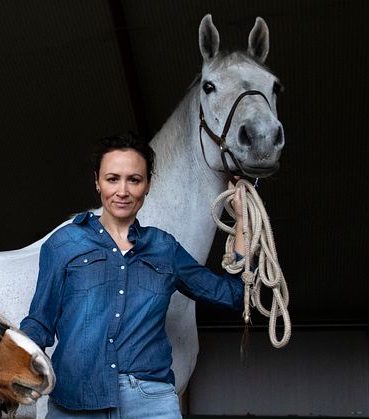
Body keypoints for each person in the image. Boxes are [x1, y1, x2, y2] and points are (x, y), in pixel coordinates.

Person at [19, 131, 246, 418]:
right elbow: (39, 323)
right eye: (112, 179)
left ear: (148, 185)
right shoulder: (64, 244)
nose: (122, 191)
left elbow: (232, 295)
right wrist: (13, 367)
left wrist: (241, 222)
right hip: (75, 401)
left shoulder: (164, 248)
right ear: (97, 182)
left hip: (150, 402)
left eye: (134, 180)